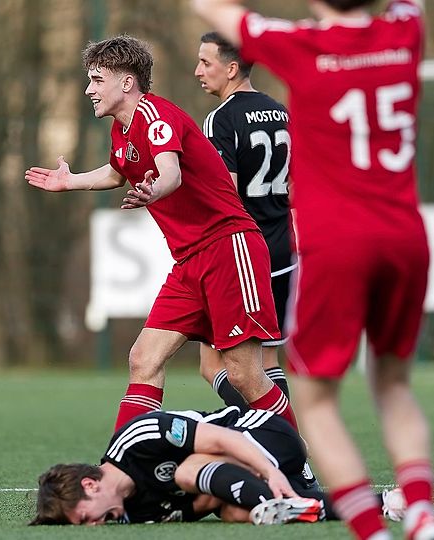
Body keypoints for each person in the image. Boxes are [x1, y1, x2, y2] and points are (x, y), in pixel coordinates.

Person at [191, 1, 434, 539]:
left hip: (328, 244)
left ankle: (368, 527)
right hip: (404, 235)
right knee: (393, 385)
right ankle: (422, 514)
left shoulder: (301, 49)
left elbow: (223, 12)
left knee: (313, 398)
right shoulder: (405, 31)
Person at [26, 35, 296, 431]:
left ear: (127, 82)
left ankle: (295, 456)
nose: (88, 90)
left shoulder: (156, 116)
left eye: (97, 80)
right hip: (189, 260)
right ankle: (121, 463)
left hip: (228, 246)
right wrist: (70, 181)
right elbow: (116, 172)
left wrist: (155, 190)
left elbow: (170, 171)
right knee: (144, 359)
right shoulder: (121, 130)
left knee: (244, 373)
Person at [29, 406, 407, 526]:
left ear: (90, 486)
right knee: (234, 513)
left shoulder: (137, 438)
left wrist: (271, 472)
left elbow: (223, 440)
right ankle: (385, 503)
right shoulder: (135, 512)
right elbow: (207, 502)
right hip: (247, 477)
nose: (93, 527)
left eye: (85, 518)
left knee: (187, 471)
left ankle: (290, 498)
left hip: (262, 434)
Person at [193, 31, 296, 416]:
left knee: (214, 365)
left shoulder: (221, 119)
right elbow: (297, 184)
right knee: (267, 360)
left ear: (232, 68)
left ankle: (274, 435)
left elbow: (225, 195)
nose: (198, 71)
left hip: (242, 253)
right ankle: (284, 436)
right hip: (282, 249)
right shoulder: (281, 112)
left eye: (206, 62)